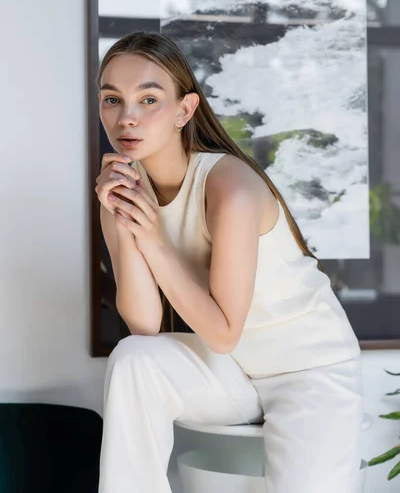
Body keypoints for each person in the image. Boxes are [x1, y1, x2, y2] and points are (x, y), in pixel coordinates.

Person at [95, 31, 364, 493]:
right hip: (233, 372)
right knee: (134, 359)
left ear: (184, 110)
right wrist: (126, 222)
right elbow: (144, 324)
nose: (127, 117)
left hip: (309, 371)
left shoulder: (230, 185)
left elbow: (222, 332)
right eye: (112, 99)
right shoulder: (120, 190)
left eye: (148, 98)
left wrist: (153, 241)